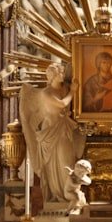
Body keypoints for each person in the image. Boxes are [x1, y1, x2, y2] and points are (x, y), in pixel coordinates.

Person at [19, 61, 86, 203]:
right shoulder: (46, 93)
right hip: (51, 131)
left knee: (68, 159)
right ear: (53, 76)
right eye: (59, 73)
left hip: (64, 128)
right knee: (56, 164)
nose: (62, 74)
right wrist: (73, 91)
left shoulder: (65, 88)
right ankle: (58, 195)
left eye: (62, 72)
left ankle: (70, 193)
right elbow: (62, 104)